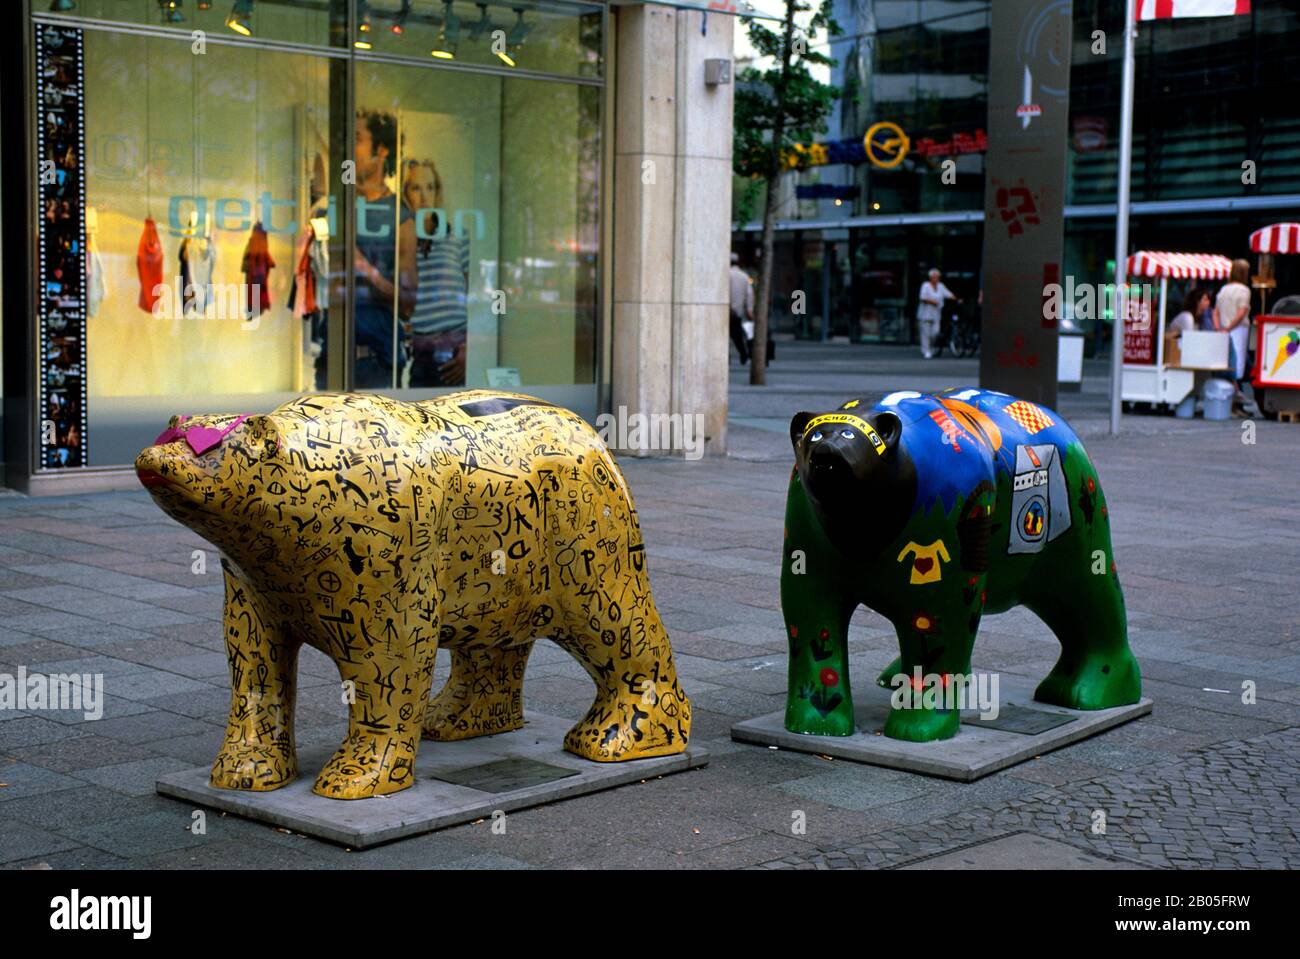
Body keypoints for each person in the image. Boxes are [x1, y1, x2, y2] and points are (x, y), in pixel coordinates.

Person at [353, 109, 418, 390]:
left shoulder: (400, 216)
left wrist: (364, 268)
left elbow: (407, 303)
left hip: (375, 364)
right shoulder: (338, 206)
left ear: (380, 150)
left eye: (357, 139)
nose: (349, 148)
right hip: (329, 358)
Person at [402, 158, 469, 387]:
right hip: (420, 355)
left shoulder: (457, 235)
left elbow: (481, 298)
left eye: (430, 187)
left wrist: (470, 348)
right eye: (416, 188)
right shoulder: (403, 243)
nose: (424, 196)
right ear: (405, 194)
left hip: (455, 354)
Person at [1212, 259, 1253, 409]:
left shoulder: (1224, 289)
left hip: (1223, 329)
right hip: (1237, 329)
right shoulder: (1244, 290)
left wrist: (1219, 328)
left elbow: (1215, 312)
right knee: (1238, 363)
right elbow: (1241, 313)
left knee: (1226, 362)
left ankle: (1233, 401)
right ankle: (1236, 400)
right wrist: (1230, 327)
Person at [917, 268, 958, 359]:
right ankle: (926, 350)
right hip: (925, 314)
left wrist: (956, 298)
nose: (937, 279)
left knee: (935, 333)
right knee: (925, 333)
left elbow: (948, 294)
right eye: (935, 277)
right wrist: (933, 302)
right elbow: (923, 298)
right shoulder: (925, 286)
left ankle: (931, 348)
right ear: (931, 277)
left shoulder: (940, 286)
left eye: (938, 277)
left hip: (936, 314)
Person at [728, 252, 753, 365]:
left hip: (725, 310)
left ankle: (727, 356)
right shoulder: (744, 276)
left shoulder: (726, 274)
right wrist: (749, 309)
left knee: (724, 336)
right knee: (737, 335)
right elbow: (749, 294)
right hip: (737, 311)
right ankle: (743, 354)